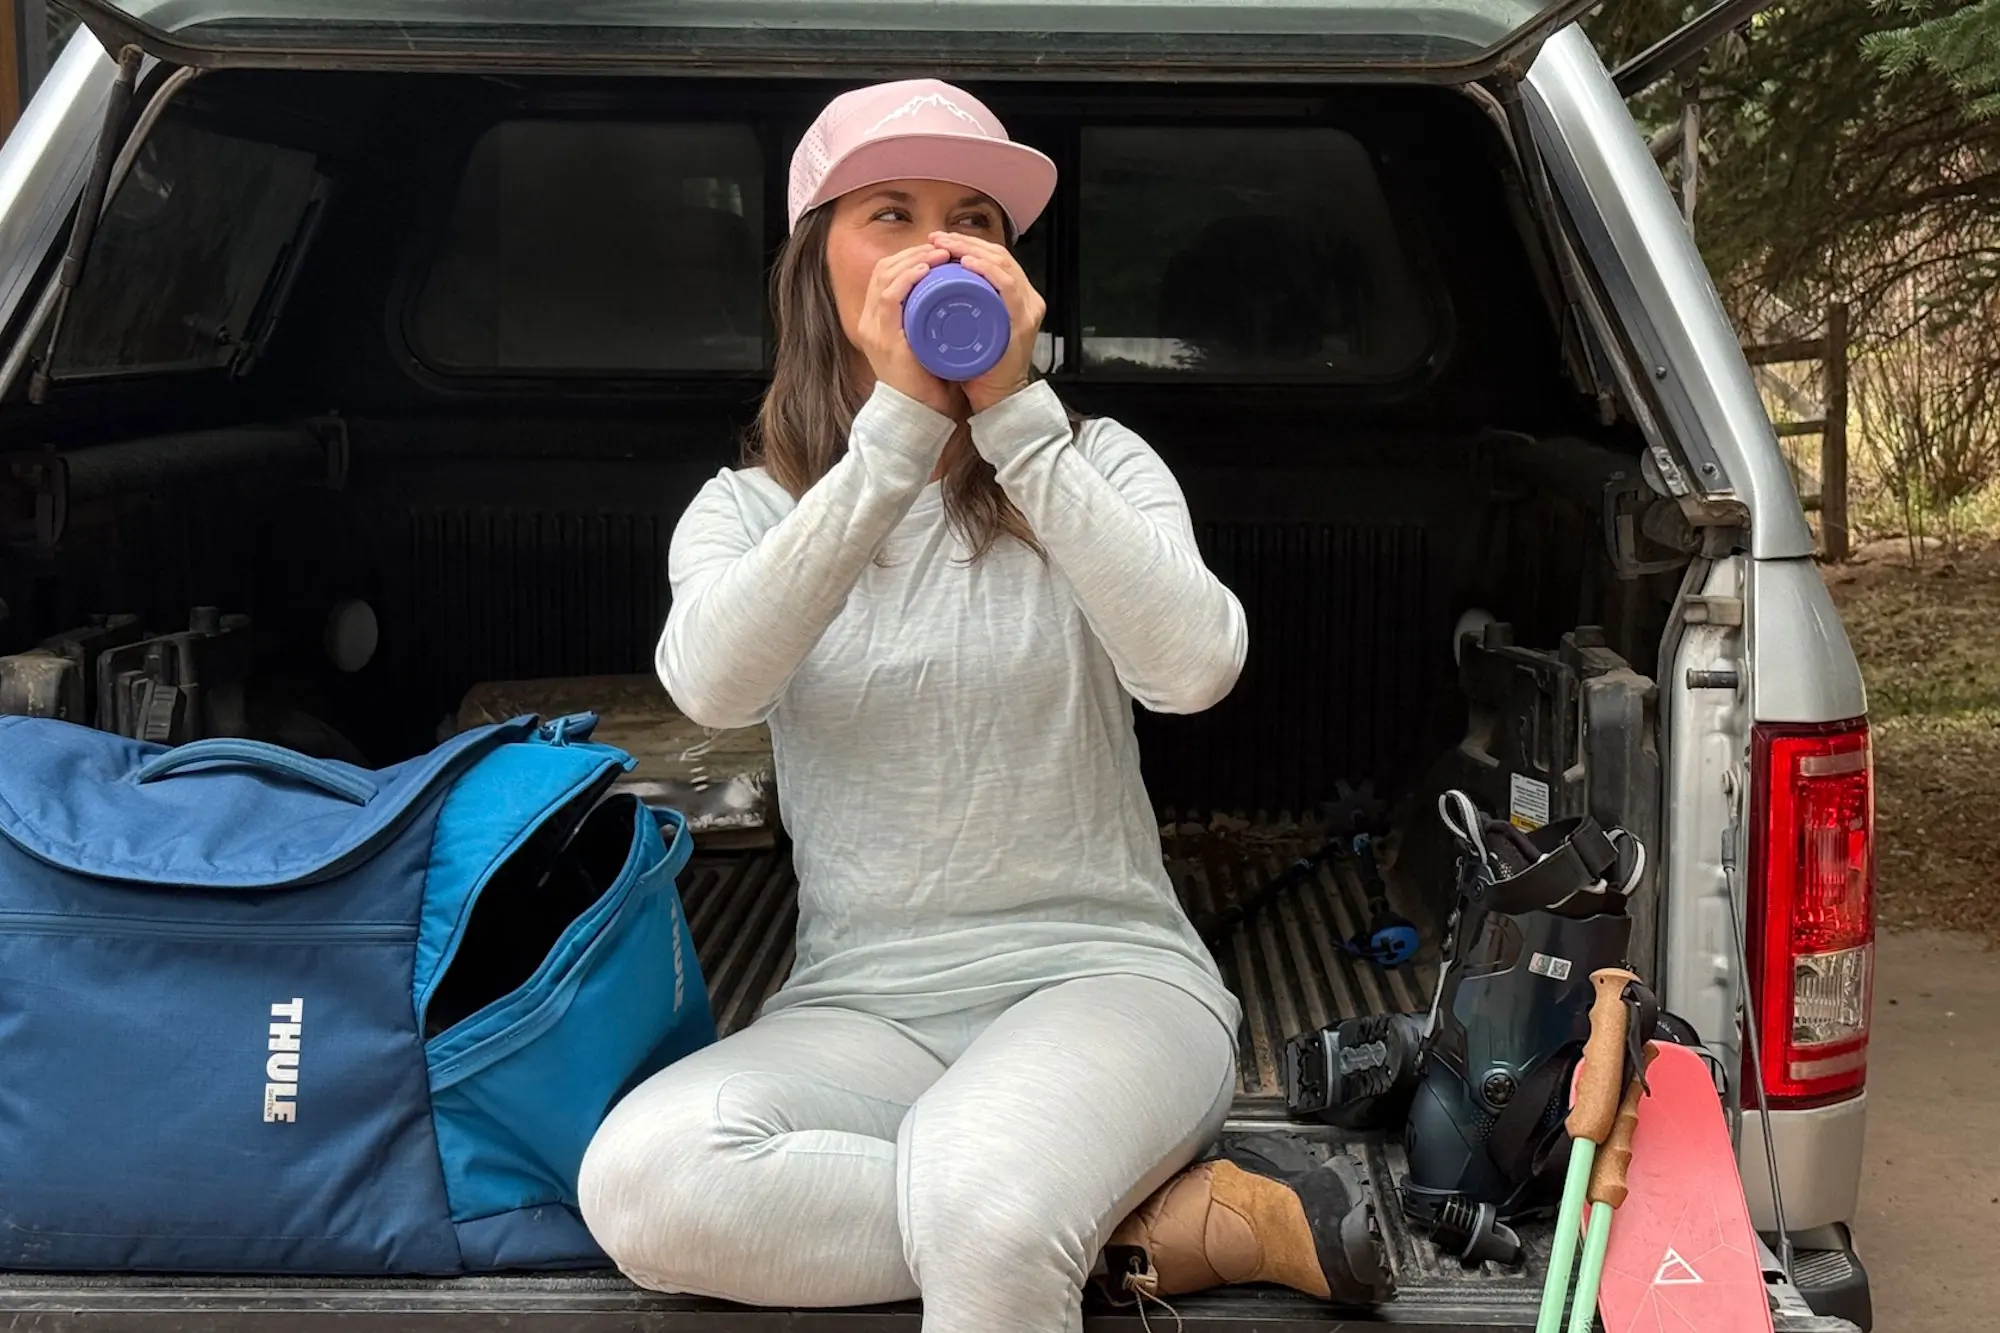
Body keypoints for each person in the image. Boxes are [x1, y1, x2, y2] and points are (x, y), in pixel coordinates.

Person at [578, 79, 1389, 1332]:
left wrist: (1015, 421)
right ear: (816, 273)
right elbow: (712, 685)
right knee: (646, 1185)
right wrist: (895, 438)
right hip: (863, 1007)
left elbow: (1192, 670)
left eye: (974, 222)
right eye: (889, 215)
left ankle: (1026, 1220)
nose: (936, 248)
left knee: (984, 1199)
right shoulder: (744, 509)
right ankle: (1154, 1231)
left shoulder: (1093, 463)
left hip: (1105, 983)